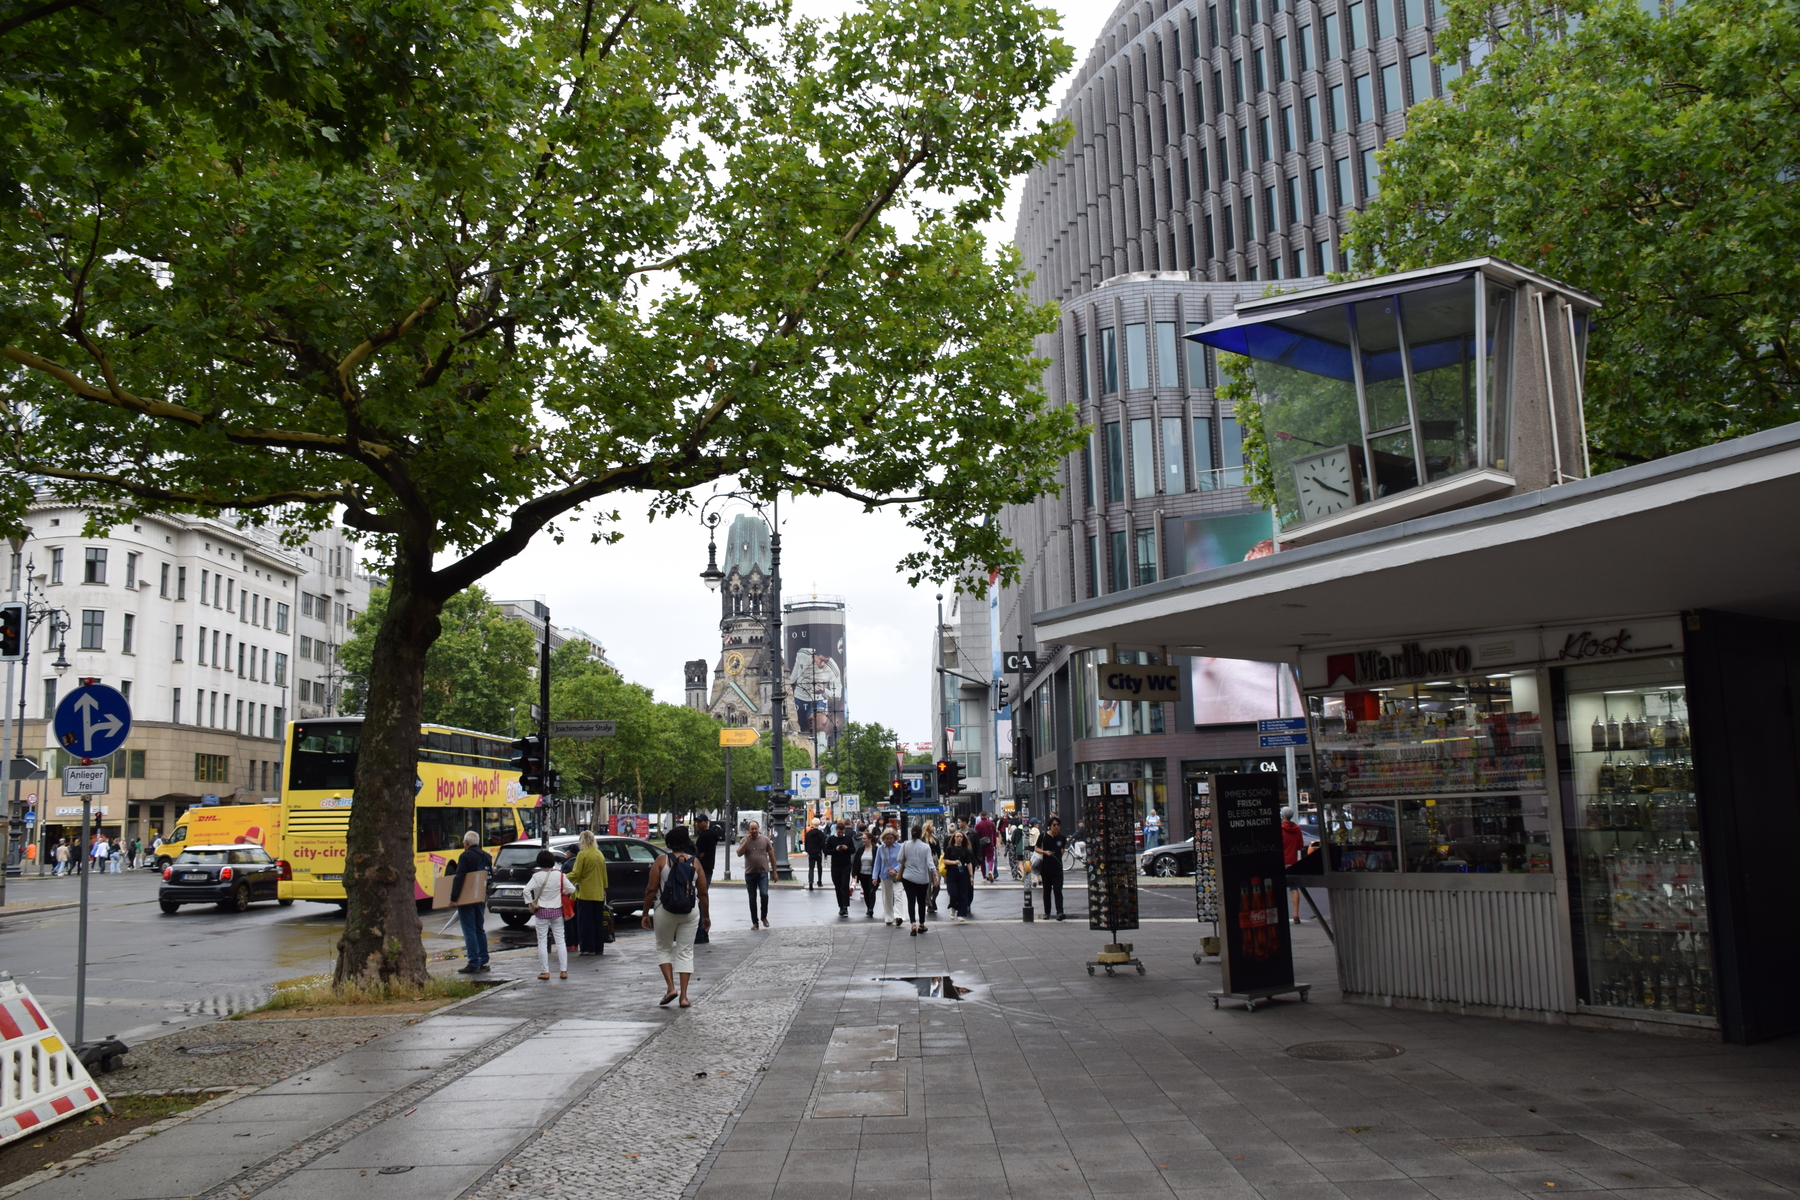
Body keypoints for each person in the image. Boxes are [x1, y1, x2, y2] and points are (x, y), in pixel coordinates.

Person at [643, 825, 710, 1008]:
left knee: (663, 949)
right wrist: (706, 916)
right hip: (690, 911)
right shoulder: (695, 863)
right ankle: (684, 997)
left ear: (668, 842)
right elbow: (703, 893)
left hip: (664, 910)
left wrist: (645, 912)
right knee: (685, 951)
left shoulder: (661, 861)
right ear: (686, 842)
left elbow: (651, 889)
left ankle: (671, 988)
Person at [521, 848, 574, 980]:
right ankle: (563, 971)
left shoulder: (536, 876)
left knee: (542, 941)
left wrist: (533, 905)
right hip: (557, 911)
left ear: (539, 862)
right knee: (560, 941)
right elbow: (572, 889)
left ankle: (545, 971)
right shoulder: (560, 876)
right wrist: (562, 893)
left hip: (541, 911)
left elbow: (526, 891)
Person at [449, 830, 493, 974]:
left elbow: (460, 877)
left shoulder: (465, 856)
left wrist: (454, 898)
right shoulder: (486, 856)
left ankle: (473, 962)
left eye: (463, 841)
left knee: (469, 930)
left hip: (467, 897)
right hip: (480, 896)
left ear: (466, 843)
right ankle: (483, 960)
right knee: (479, 929)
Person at [568, 830, 611, 955]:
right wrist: (603, 888)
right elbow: (604, 875)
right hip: (598, 893)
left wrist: (563, 877)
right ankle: (598, 947)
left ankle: (587, 948)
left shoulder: (582, 855)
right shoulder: (599, 854)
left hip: (585, 893)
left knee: (585, 923)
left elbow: (576, 874)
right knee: (597, 922)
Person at [899, 824, 936, 936]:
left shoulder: (905, 844)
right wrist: (935, 875)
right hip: (922, 878)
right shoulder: (926, 847)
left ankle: (913, 925)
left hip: (908, 877)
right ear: (921, 834)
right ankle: (922, 924)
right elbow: (930, 863)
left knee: (911, 901)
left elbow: (899, 859)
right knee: (921, 901)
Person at [737, 819, 773, 929]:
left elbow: (772, 855)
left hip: (763, 873)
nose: (754, 831)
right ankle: (755, 922)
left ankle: (764, 917)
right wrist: (746, 841)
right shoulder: (744, 840)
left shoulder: (765, 840)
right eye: (752, 829)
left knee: (764, 894)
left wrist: (774, 872)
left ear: (758, 829)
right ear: (748, 830)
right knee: (752, 899)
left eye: (755, 829)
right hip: (750, 873)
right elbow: (739, 853)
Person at [693, 815, 722, 944]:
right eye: (697, 822)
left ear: (706, 822)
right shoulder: (711, 835)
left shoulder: (704, 836)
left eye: (700, 821)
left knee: (700, 900)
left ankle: (701, 932)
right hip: (708, 869)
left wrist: (699, 856)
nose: (698, 824)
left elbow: (699, 854)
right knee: (702, 899)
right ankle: (703, 932)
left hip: (703, 869)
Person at [1036, 816, 1068, 920]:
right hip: (1046, 867)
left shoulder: (1062, 838)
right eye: (1054, 825)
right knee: (1047, 891)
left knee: (1058, 890)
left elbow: (1062, 850)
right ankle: (1047, 912)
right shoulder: (1043, 836)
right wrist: (1045, 852)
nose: (1056, 827)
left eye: (1058, 825)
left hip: (1057, 867)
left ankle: (1060, 911)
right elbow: (1036, 848)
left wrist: (1058, 857)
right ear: (1050, 826)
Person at [941, 829, 976, 921]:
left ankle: (961, 914)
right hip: (952, 872)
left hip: (963, 872)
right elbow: (945, 860)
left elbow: (969, 863)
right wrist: (954, 862)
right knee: (953, 893)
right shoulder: (949, 849)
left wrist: (971, 876)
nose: (959, 838)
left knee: (963, 894)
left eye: (961, 837)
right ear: (954, 838)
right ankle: (953, 907)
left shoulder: (966, 850)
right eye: (957, 837)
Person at [826, 821, 858, 917]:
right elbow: (826, 851)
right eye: (839, 832)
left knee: (844, 885)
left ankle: (845, 907)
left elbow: (853, 850)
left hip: (846, 865)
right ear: (836, 830)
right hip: (835, 865)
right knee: (837, 886)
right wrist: (835, 850)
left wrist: (846, 848)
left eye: (842, 832)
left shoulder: (848, 838)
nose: (840, 834)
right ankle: (840, 905)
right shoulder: (831, 839)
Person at [1281, 807, 1306, 924]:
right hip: (1293, 862)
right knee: (1294, 888)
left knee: (1279, 888)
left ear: (1282, 816)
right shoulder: (1297, 829)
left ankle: (1281, 914)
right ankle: (1296, 915)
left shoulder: (1280, 829)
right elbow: (1300, 846)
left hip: (1281, 862)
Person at [873, 827, 903, 926]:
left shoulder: (899, 847)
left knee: (898, 895)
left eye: (891, 838)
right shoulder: (880, 848)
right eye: (887, 838)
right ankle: (889, 917)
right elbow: (877, 863)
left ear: (894, 838)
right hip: (885, 875)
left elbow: (902, 861)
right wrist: (875, 877)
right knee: (887, 897)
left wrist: (895, 869)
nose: (889, 840)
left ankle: (899, 916)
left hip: (897, 876)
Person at [857, 829, 879, 918]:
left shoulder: (875, 849)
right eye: (862, 839)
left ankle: (871, 908)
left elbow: (878, 862)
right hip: (863, 874)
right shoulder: (860, 849)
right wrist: (855, 874)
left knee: (871, 891)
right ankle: (868, 907)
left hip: (872, 874)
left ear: (870, 839)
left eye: (864, 838)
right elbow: (856, 862)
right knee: (866, 892)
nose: (863, 840)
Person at [921, 820, 940, 915]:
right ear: (927, 829)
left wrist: (940, 861)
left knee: (937, 884)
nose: (933, 828)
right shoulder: (922, 839)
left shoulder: (935, 839)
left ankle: (933, 899)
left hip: (935, 860)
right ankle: (929, 904)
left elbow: (939, 851)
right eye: (931, 827)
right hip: (926, 862)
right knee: (928, 885)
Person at [973, 812, 998, 882]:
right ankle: (990, 870)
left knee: (982, 861)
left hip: (981, 845)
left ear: (980, 816)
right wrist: (994, 844)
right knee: (990, 859)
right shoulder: (992, 824)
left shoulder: (977, 825)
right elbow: (994, 834)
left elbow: (976, 836)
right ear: (987, 816)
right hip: (990, 843)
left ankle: (984, 877)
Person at [803, 821, 825, 890]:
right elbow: (823, 844)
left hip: (811, 853)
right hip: (818, 853)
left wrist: (808, 851)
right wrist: (825, 852)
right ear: (818, 824)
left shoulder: (808, 834)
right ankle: (819, 881)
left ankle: (810, 882)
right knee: (819, 867)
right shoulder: (821, 834)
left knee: (811, 868)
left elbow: (806, 843)